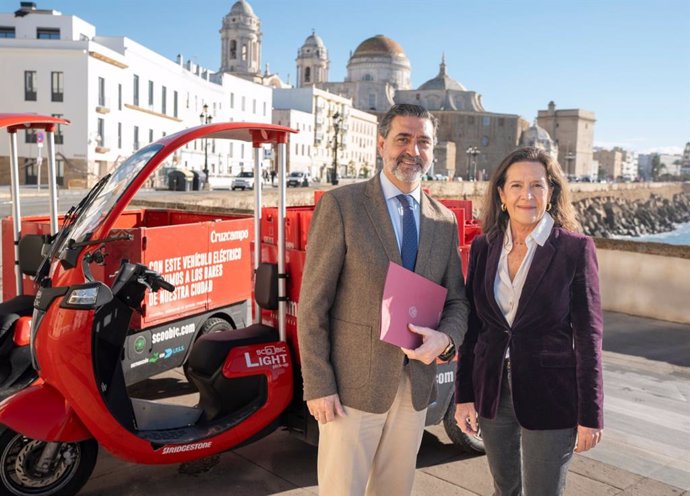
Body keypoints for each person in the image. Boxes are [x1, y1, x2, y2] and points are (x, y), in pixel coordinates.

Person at [298, 104, 469, 496]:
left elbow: (458, 302)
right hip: (350, 388)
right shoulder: (343, 206)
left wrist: (445, 340)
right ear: (381, 144)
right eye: (403, 139)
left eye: (423, 141)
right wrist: (318, 384)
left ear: (433, 149)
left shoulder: (444, 221)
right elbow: (313, 305)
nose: (413, 150)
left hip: (414, 390)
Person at [454, 147, 604, 496]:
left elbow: (588, 337)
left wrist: (591, 414)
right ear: (502, 194)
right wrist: (463, 397)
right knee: (504, 489)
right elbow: (474, 329)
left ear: (551, 192)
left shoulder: (575, 250)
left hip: (551, 394)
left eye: (537, 185)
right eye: (517, 185)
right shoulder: (484, 247)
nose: (527, 195)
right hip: (491, 390)